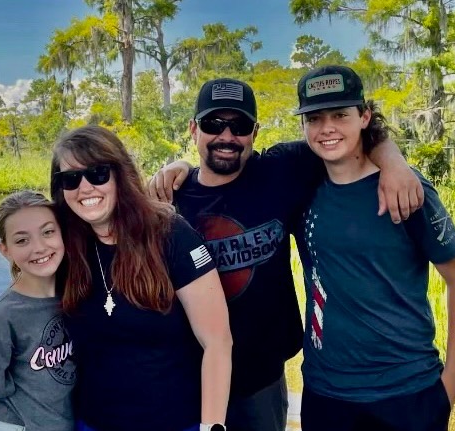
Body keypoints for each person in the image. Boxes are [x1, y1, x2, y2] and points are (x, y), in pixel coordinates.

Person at [148, 77, 424, 431]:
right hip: (188, 376)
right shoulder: (169, 199)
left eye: (240, 126)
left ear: (255, 132)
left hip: (262, 381)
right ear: (193, 129)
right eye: (213, 124)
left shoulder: (280, 171)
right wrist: (179, 167)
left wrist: (395, 163)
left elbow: (352, 137)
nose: (226, 136)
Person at [0, 126, 232, 431]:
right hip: (91, 423)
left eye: (98, 173)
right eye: (71, 179)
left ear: (120, 175)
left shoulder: (170, 234)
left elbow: (217, 342)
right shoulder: (66, 245)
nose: (85, 188)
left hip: (176, 422)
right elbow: (30, 295)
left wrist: (212, 427)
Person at [292, 65, 455, 431]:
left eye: (340, 115)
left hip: (408, 394)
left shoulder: (406, 190)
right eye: (314, 118)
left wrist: (450, 385)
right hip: (325, 395)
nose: (327, 128)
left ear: (364, 116)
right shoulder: (301, 186)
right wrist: (181, 170)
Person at [0, 190, 75, 431]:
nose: (39, 247)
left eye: (48, 232)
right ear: (5, 250)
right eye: (22, 240)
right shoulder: (3, 318)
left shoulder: (76, 291)